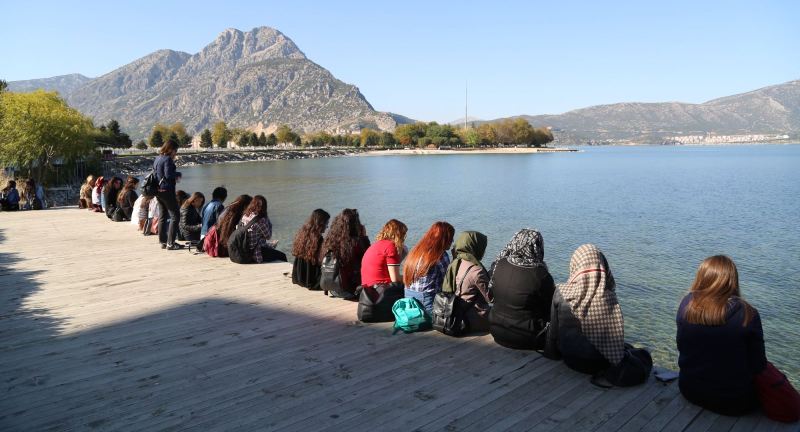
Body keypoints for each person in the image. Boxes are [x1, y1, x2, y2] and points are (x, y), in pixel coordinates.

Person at [676, 255, 768, 416]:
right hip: (734, 401)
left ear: (701, 278)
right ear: (732, 280)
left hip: (689, 390)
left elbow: (682, 346)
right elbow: (758, 365)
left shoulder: (687, 304)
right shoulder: (748, 314)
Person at [545, 244, 626, 374]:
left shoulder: (561, 292)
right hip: (601, 363)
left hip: (569, 358)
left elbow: (553, 332)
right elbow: (616, 341)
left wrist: (551, 354)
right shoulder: (609, 298)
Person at [488, 229, 556, 350]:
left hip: (496, 329)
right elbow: (550, 309)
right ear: (538, 246)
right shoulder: (541, 275)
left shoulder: (500, 264)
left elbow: (492, 295)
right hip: (528, 338)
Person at [442, 231, 493, 332]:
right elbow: (491, 298)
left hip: (455, 313)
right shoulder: (477, 270)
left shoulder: (455, 262)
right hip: (474, 318)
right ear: (476, 247)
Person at [403, 221, 455, 313]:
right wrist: (455, 260)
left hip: (409, 300)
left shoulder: (416, 251)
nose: (452, 241)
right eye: (451, 238)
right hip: (427, 304)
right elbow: (448, 283)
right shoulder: (440, 255)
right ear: (444, 239)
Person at [321, 209, 370, 297]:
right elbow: (369, 257)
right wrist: (364, 236)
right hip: (350, 290)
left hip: (333, 289)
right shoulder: (355, 242)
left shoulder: (330, 239)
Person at [153, 139, 183, 250]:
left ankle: (163, 241)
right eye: (175, 150)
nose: (176, 152)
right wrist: (178, 174)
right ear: (170, 149)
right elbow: (169, 175)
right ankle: (171, 243)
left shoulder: (157, 158)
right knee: (175, 216)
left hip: (158, 191)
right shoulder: (168, 160)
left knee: (163, 215)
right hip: (167, 191)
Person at [239, 195, 287, 263]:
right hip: (255, 254)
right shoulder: (261, 220)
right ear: (264, 207)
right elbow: (268, 236)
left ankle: (271, 245)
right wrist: (268, 221)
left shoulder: (245, 216)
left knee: (270, 245)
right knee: (282, 256)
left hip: (245, 250)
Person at [361, 219, 407, 287]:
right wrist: (410, 278)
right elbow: (395, 279)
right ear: (398, 234)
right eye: (403, 234)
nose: (404, 238)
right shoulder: (391, 246)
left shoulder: (375, 245)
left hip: (367, 289)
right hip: (380, 290)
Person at [291, 209, 330, 290]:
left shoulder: (302, 234)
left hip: (298, 277)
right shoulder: (318, 239)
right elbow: (320, 261)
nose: (327, 226)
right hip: (311, 279)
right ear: (321, 224)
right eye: (326, 223)